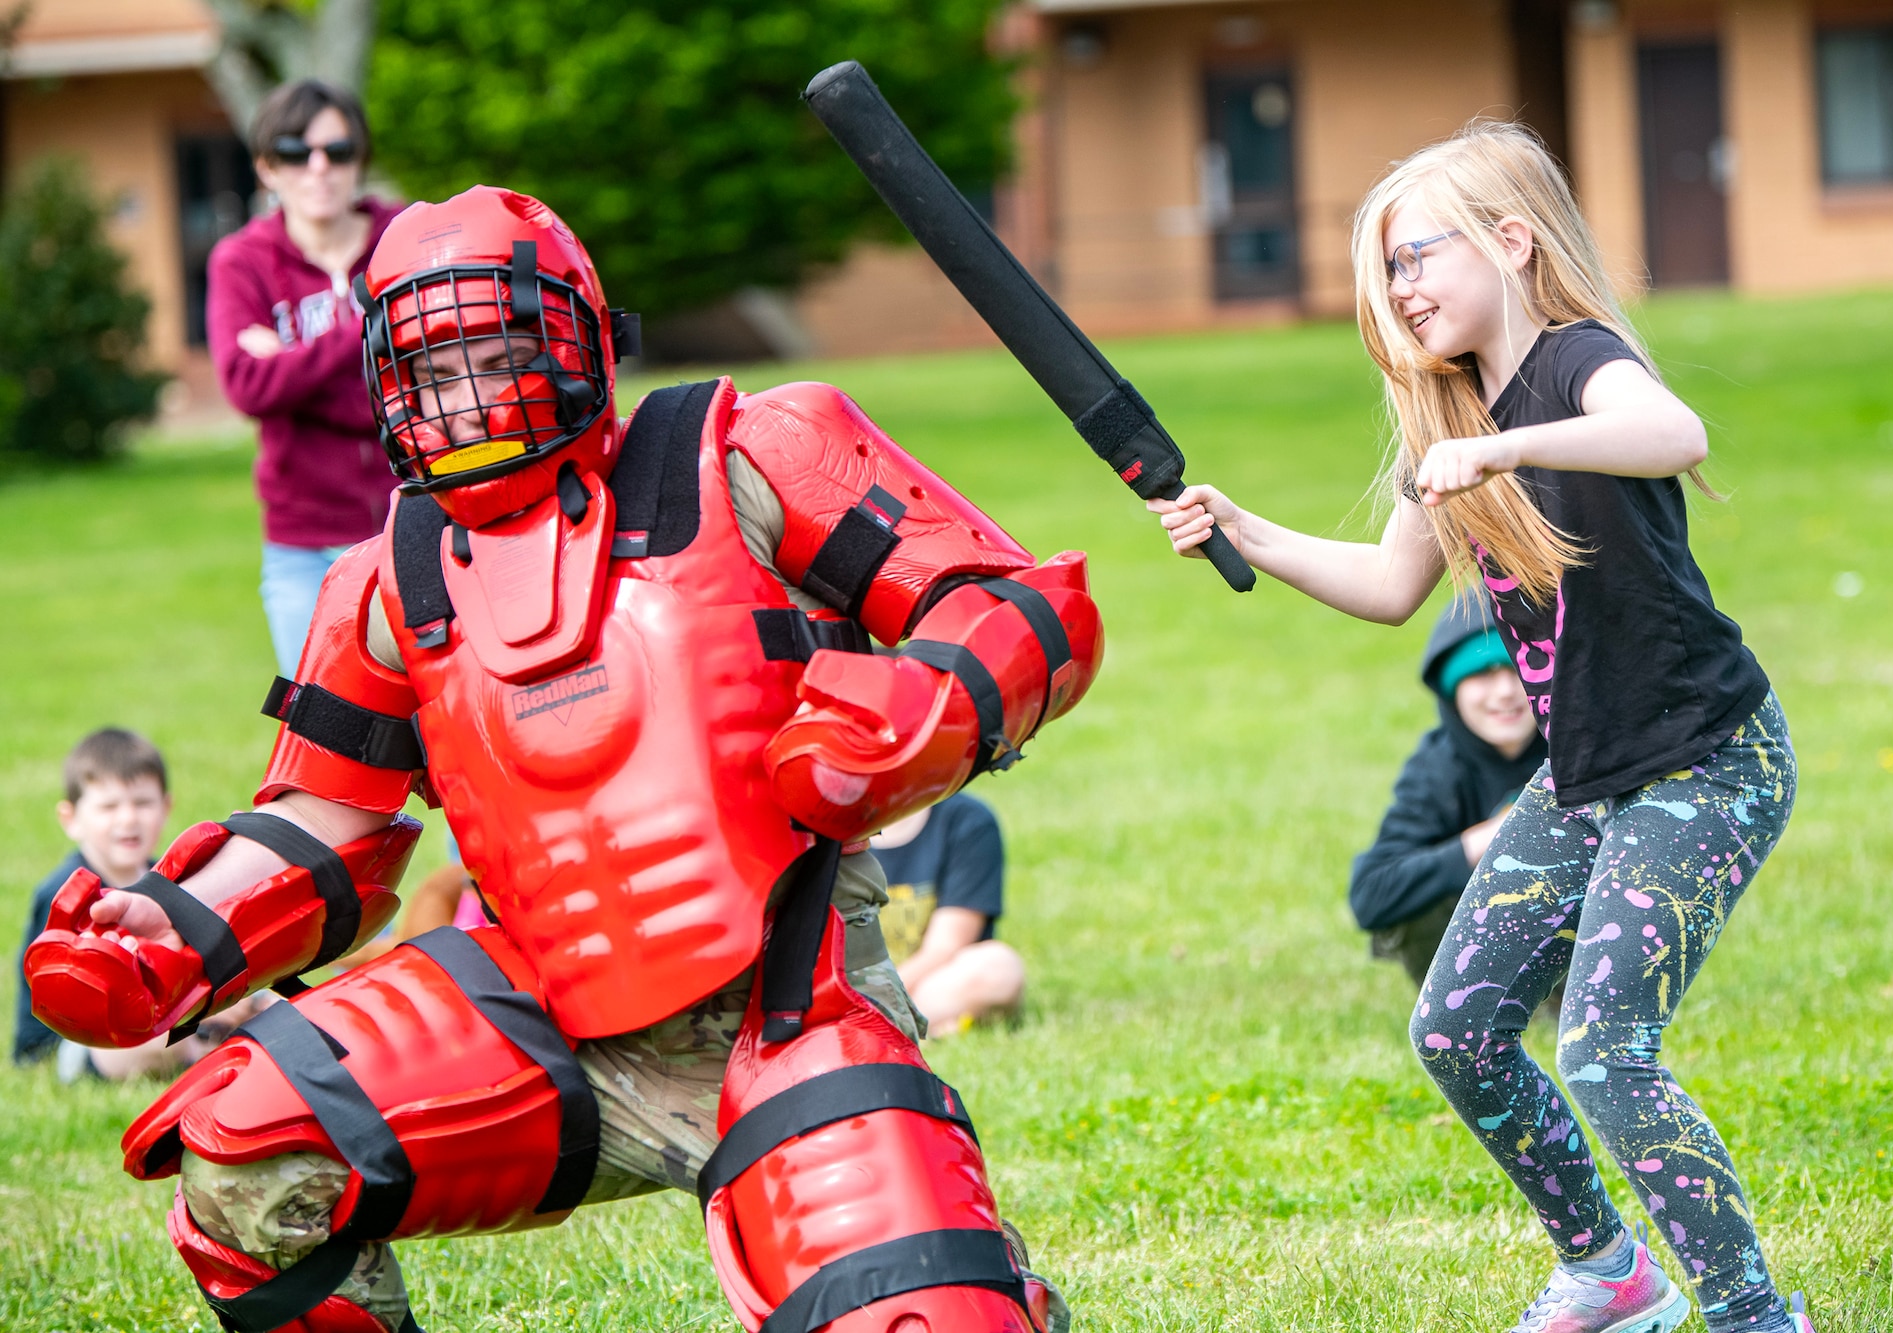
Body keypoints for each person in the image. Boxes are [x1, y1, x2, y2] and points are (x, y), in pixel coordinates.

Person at [27, 185, 1102, 1333]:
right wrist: (178, 932)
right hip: (536, 1022)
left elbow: (1020, 603)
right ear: (390, 389)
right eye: (434, 371)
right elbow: (325, 824)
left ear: (577, 335)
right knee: (245, 1143)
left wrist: (920, 708)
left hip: (789, 1011)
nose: (469, 394)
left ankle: (979, 1283)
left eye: (493, 352)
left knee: (916, 1319)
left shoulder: (751, 448)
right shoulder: (385, 578)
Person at [1151, 121, 1809, 1333]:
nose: (1400, 290)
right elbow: (1390, 587)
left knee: (1608, 1054)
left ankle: (1754, 1313)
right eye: (1385, 272)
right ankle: (1608, 1273)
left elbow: (1673, 432)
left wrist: (1498, 446)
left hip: (1707, 765)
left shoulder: (1573, 363)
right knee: (1454, 1029)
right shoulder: (1447, 414)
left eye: (1416, 256)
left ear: (1510, 241)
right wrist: (1246, 532)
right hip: (1580, 777)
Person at [208, 79, 402, 675]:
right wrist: (368, 331)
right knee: (322, 730)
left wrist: (292, 369)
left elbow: (436, 377)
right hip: (301, 544)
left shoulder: (404, 240)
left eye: (337, 151)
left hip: (412, 523)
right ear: (267, 168)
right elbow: (247, 388)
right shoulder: (241, 262)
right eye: (296, 152)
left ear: (359, 161)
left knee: (434, 721)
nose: (318, 168)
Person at [14, 729, 272, 1082]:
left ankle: (238, 1040)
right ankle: (217, 1052)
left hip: (158, 1018)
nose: (128, 819)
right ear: (71, 819)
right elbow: (84, 1002)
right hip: (78, 1042)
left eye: (142, 803)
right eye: (109, 806)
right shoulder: (66, 894)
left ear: (166, 807)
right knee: (168, 1042)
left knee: (269, 1003)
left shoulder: (168, 883)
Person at [1350, 600, 1546, 985]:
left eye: (1517, 670)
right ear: (1451, 687)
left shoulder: (1581, 751)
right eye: (1483, 673)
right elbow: (1370, 893)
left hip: (1572, 937)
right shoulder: (1435, 769)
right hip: (1471, 963)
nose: (1505, 691)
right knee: (1422, 895)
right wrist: (1485, 841)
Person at [873, 792, 1026, 1034]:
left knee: (999, 967)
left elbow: (945, 946)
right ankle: (917, 1026)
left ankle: (880, 1024)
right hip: (847, 986)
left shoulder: (966, 819)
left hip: (929, 980)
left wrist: (873, 1001)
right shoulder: (823, 827)